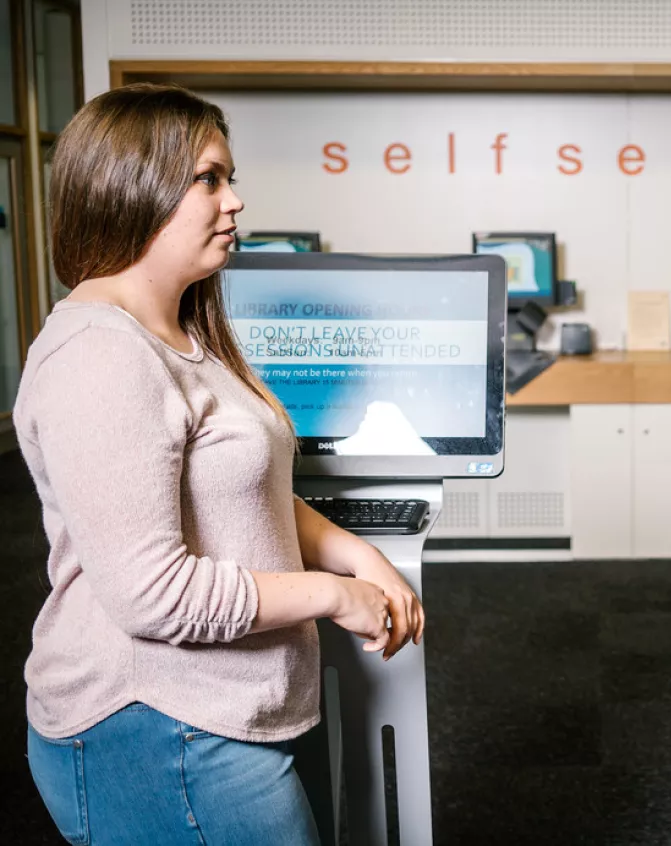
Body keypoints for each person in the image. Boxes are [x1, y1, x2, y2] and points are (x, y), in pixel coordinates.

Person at [14, 84, 425, 845]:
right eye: (210, 178)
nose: (234, 201)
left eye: (229, 177)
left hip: (227, 710)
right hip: (158, 728)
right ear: (132, 184)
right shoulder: (100, 355)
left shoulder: (187, 333)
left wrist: (359, 554)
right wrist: (333, 596)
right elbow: (152, 594)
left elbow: (247, 492)